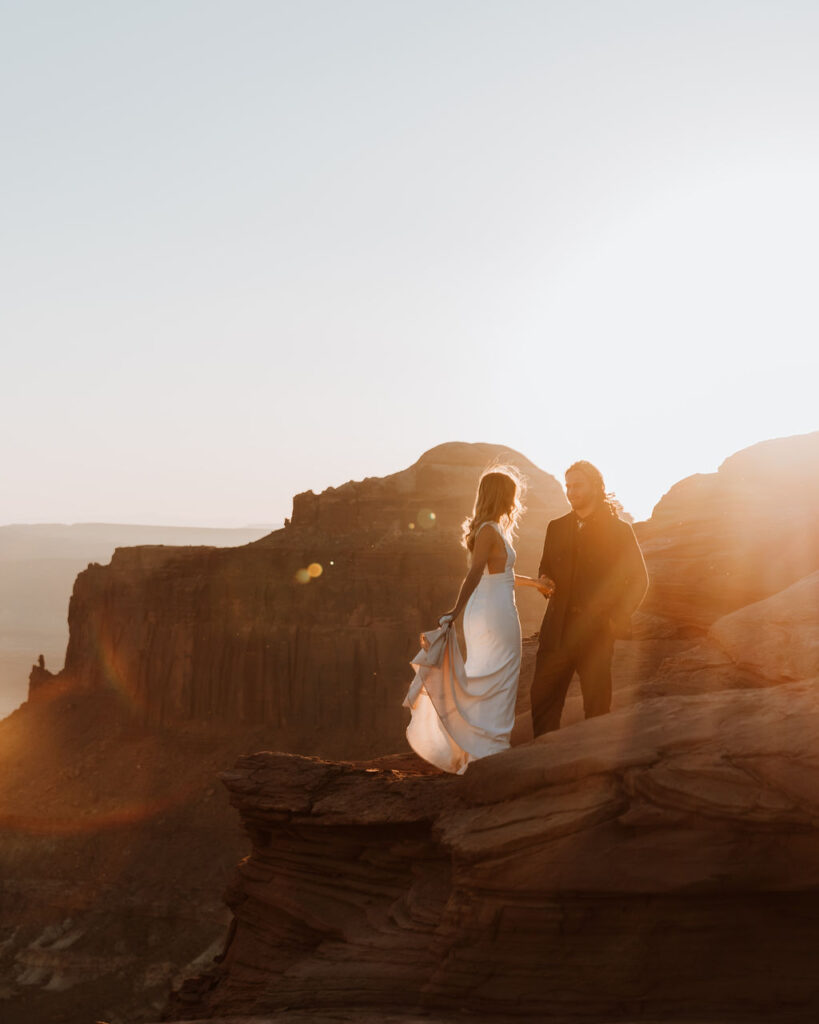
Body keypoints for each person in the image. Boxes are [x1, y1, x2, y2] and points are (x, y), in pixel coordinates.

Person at [404, 468, 550, 773]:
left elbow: (503, 576)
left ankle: (481, 748)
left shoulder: (493, 528)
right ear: (501, 494)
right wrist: (454, 612)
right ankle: (490, 751)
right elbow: (474, 574)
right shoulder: (488, 530)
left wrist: (536, 583)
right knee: (501, 673)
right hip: (493, 613)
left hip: (492, 607)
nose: (516, 500)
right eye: (512, 493)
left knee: (489, 674)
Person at [530, 460, 649, 736]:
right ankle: (542, 771)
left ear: (595, 486)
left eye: (578, 486)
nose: (571, 492)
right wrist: (544, 580)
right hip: (555, 634)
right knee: (543, 705)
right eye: (568, 486)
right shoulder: (555, 527)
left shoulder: (620, 531)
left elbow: (639, 580)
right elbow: (545, 567)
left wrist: (615, 618)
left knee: (597, 711)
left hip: (596, 634)